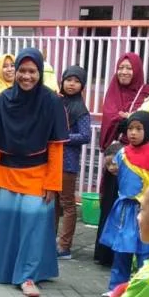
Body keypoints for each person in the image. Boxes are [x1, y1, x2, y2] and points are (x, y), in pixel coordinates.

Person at [0, 48, 69, 297]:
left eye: (32, 71)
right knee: (6, 223)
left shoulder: (52, 101)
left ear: (40, 73)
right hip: (6, 174)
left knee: (33, 223)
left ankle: (27, 276)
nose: (26, 76)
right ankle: (3, 270)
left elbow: (55, 147)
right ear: (15, 72)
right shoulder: (5, 100)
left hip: (38, 175)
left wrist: (53, 183)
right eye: (22, 71)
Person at [99, 111, 149, 297]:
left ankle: (144, 288)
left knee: (145, 251)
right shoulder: (122, 153)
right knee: (121, 250)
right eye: (130, 128)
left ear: (148, 131)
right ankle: (116, 287)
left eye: (139, 129)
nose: (133, 133)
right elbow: (116, 173)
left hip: (147, 211)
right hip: (124, 209)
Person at [94, 53, 149, 266]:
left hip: (139, 163)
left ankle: (132, 253)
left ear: (137, 70)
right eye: (121, 67)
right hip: (117, 158)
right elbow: (111, 120)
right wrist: (124, 119)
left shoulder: (148, 93)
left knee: (133, 205)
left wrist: (127, 119)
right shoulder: (112, 92)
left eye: (129, 68)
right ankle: (107, 253)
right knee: (112, 204)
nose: (124, 72)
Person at [56, 65, 91, 260]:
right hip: (51, 160)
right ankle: (48, 239)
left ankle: (64, 246)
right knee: (51, 202)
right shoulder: (57, 102)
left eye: (77, 81)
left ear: (82, 85)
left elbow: (85, 136)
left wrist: (63, 137)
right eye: (69, 79)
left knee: (67, 203)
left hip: (67, 162)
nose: (71, 84)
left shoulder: (81, 109)